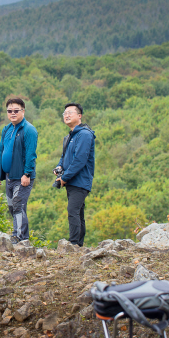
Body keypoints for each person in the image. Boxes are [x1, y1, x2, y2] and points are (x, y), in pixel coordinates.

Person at [0, 97, 38, 244]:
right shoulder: (7, 129)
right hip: (9, 176)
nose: (12, 113)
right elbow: (1, 151)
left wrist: (27, 174)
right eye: (9, 111)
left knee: (18, 204)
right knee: (13, 207)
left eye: (16, 111)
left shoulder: (29, 130)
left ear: (23, 111)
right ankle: (21, 236)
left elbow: (31, 154)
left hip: (22, 177)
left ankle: (18, 237)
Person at [55, 103, 95, 247]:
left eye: (70, 112)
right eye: (64, 113)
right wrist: (59, 167)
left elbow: (80, 159)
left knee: (73, 211)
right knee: (78, 212)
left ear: (79, 116)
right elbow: (64, 156)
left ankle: (74, 244)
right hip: (72, 181)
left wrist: (64, 178)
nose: (66, 115)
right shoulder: (70, 136)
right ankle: (79, 245)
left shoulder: (84, 134)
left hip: (80, 180)